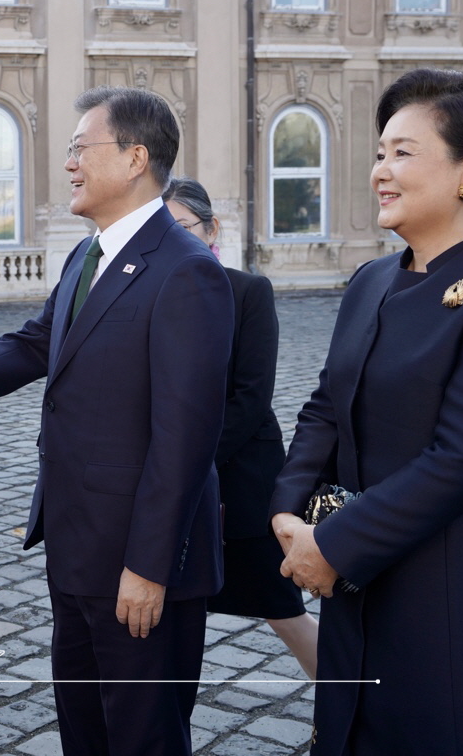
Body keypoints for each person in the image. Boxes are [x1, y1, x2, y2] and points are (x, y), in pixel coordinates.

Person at [0, 86, 234, 756]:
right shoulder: (88, 255)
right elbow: (33, 343)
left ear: (136, 157)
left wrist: (149, 565)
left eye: (82, 148)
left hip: (139, 566)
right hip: (78, 546)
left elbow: (185, 438)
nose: (70, 164)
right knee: (86, 732)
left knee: (143, 739)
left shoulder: (188, 272)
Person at [270, 68, 463, 754]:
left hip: (461, 577)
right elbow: (324, 406)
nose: (381, 170)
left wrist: (335, 545)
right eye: (379, 153)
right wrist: (287, 514)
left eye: (403, 152)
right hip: (358, 570)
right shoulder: (374, 278)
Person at [162, 177, 318, 679]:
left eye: (182, 226)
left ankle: (355, 708)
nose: (174, 239)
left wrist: (185, 459)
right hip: (171, 486)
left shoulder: (249, 290)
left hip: (240, 479)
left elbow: (252, 397)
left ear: (211, 229)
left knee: (282, 609)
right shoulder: (152, 296)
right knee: (167, 612)